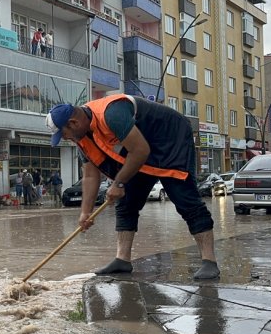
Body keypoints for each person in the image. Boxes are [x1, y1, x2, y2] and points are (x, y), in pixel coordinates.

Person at [46, 95, 220, 279]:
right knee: (126, 201)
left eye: (63, 134)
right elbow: (90, 175)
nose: (65, 138)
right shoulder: (80, 138)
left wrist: (119, 182)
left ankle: (209, 261)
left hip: (170, 137)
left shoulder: (112, 114)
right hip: (139, 149)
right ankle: (122, 259)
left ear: (73, 123)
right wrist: (85, 212)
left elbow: (140, 150)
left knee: (184, 197)